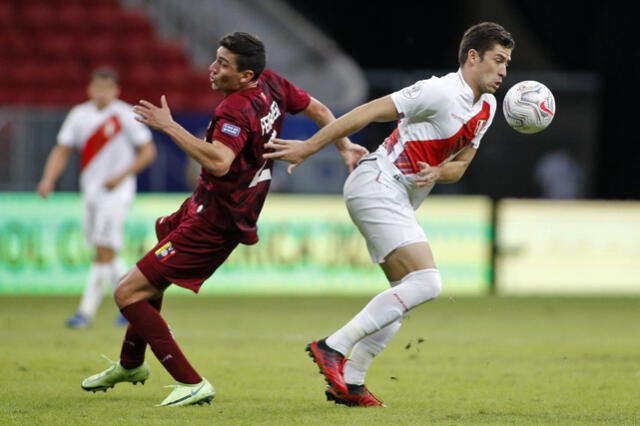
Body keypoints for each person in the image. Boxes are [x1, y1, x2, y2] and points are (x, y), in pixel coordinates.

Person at [79, 32, 367, 407]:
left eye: (223, 64)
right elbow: (319, 109)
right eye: (215, 59)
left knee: (127, 292)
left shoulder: (236, 108)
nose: (212, 69)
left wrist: (168, 126)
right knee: (150, 279)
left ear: (246, 76)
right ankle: (130, 363)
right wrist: (344, 146)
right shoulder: (273, 84)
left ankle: (192, 383)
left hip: (216, 220)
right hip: (208, 205)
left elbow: (219, 161)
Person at [265, 22, 515, 407]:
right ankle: (333, 346)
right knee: (428, 283)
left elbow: (462, 164)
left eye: (507, 63)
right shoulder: (438, 90)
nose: (503, 71)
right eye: (497, 60)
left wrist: (438, 172)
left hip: (398, 196)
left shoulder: (487, 107)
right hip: (378, 183)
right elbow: (366, 112)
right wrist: (310, 147)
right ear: (472, 57)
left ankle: (351, 383)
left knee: (406, 293)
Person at [37, 67, 157, 328]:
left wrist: (122, 175)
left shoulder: (125, 114)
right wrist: (48, 179)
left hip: (117, 193)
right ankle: (136, 303)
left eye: (107, 88)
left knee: (103, 250)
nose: (102, 92)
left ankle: (85, 312)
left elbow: (148, 152)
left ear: (116, 90)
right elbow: (62, 150)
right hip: (91, 193)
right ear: (89, 89)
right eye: (97, 87)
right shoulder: (79, 115)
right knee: (106, 250)